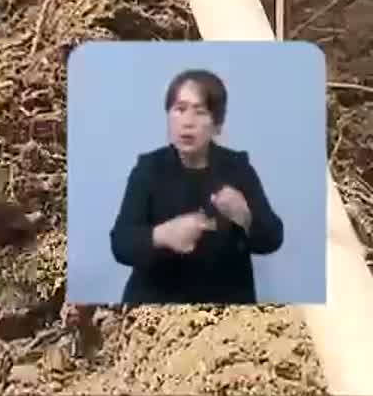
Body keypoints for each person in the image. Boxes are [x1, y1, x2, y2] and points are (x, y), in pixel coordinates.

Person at [108, 68, 285, 304]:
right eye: (179, 110)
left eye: (200, 112)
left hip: (224, 314)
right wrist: (162, 235)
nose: (188, 123)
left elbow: (273, 239)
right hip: (156, 310)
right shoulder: (148, 169)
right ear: (168, 116)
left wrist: (245, 216)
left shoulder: (237, 169)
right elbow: (121, 243)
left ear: (217, 125)